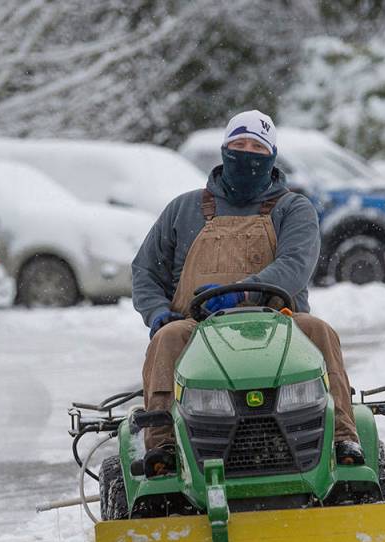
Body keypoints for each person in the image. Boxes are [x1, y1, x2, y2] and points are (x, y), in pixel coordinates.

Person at [131, 109, 364, 465]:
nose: (246, 153)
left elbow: (295, 265)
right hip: (198, 328)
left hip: (278, 323)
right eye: (238, 144)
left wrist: (243, 291)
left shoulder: (293, 209)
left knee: (319, 332)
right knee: (166, 340)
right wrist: (158, 312)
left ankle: (343, 439)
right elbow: (146, 270)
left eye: (256, 146)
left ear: (270, 157)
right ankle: (162, 449)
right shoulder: (183, 209)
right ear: (224, 151)